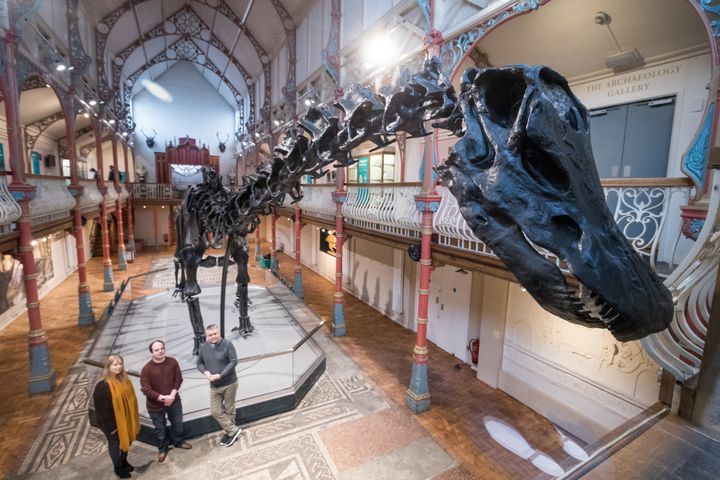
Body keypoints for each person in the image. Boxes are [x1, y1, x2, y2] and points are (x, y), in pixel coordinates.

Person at [140, 340, 192, 463]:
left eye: (162, 348)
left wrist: (172, 396)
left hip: (174, 401)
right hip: (155, 406)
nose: (160, 351)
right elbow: (146, 389)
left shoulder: (172, 362)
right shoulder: (146, 369)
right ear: (151, 353)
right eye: (156, 350)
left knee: (178, 424)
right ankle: (162, 449)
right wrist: (163, 398)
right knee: (160, 429)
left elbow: (178, 379)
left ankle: (178, 442)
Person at [92, 354, 140, 479]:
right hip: (110, 423)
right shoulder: (102, 386)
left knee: (127, 439)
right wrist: (113, 427)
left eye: (120, 364)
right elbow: (102, 412)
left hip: (125, 419)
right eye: (115, 364)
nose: (118, 367)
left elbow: (131, 401)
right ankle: (118, 467)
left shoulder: (125, 380)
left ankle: (123, 460)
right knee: (115, 444)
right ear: (108, 367)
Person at [196, 324, 242, 447]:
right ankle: (234, 430)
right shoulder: (204, 347)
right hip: (214, 386)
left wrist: (220, 375)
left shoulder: (227, 344)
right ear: (207, 336)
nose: (213, 337)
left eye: (215, 334)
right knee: (215, 411)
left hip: (229, 383)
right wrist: (205, 372)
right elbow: (199, 363)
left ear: (219, 332)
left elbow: (233, 361)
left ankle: (230, 433)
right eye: (210, 335)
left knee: (229, 409)